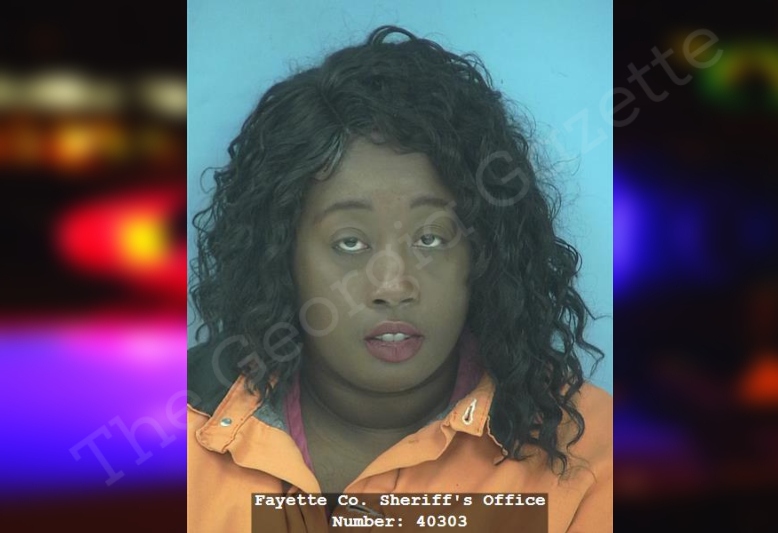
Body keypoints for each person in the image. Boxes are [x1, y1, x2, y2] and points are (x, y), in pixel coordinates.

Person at [188, 25, 611, 532]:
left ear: (483, 255)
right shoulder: (166, 429)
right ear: (281, 257)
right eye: (350, 242)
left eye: (431, 239)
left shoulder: (595, 455)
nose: (393, 286)